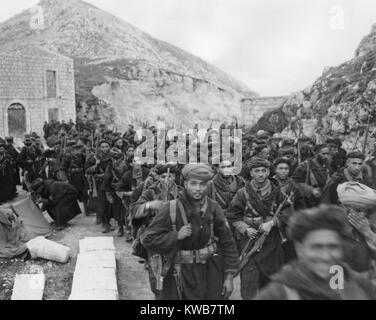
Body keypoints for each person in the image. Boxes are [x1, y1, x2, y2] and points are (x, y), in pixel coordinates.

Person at [141, 164, 239, 300]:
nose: (198, 189)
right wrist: (176, 236)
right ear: (185, 184)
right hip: (180, 273)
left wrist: (229, 277)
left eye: (203, 184)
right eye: (193, 184)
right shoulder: (171, 208)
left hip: (210, 271)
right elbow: (147, 239)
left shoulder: (213, 207)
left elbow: (228, 242)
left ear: (208, 185)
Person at [255, 205, 376, 300]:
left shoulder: (359, 285)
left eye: (332, 247)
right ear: (300, 249)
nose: (325, 256)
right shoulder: (279, 293)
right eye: (316, 247)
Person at [227, 157, 292, 299]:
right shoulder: (242, 193)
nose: (261, 174)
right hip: (249, 239)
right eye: (257, 171)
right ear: (251, 173)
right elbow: (232, 215)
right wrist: (245, 229)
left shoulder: (277, 192)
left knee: (271, 277)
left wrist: (272, 223)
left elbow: (287, 213)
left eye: (264, 170)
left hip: (271, 240)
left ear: (269, 172)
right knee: (249, 277)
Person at [130, 164, 180, 299]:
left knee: (177, 274)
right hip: (155, 238)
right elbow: (134, 210)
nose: (167, 179)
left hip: (176, 238)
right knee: (157, 274)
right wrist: (149, 205)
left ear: (175, 176)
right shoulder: (150, 192)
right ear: (158, 177)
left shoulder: (181, 192)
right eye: (163, 176)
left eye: (170, 176)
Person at [292, 144, 331, 208]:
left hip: (323, 202)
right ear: (316, 153)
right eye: (323, 154)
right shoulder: (305, 166)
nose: (326, 156)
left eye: (328, 154)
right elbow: (295, 182)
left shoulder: (328, 166)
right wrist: (311, 190)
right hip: (307, 203)